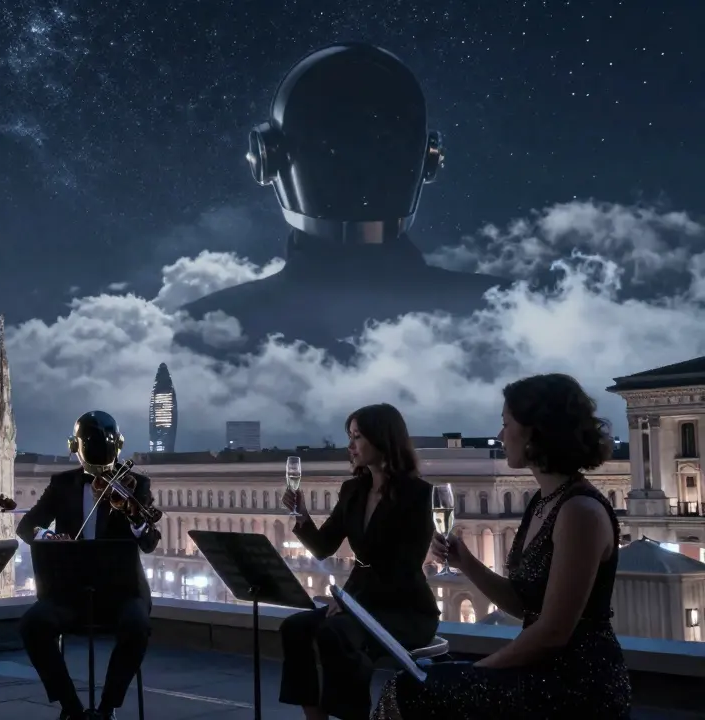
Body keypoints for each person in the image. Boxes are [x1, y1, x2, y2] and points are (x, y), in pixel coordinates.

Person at [179, 43, 502, 361]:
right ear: (427, 159)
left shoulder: (198, 330)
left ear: (267, 159)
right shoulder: (501, 312)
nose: (358, 165)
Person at [373, 374, 632, 719]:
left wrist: (480, 670)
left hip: (574, 683)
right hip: (543, 669)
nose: (499, 435)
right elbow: (525, 605)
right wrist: (465, 561)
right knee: (414, 683)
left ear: (534, 432)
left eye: (506, 423)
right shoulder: (545, 502)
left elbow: (554, 631)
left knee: (408, 690)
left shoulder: (578, 512)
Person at [279, 403, 439, 720]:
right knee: (293, 628)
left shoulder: (419, 495)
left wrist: (352, 604)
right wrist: (300, 512)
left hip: (404, 607)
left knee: (334, 633)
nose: (350, 446)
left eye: (357, 437)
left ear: (383, 439)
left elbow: (405, 568)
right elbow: (323, 546)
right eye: (349, 436)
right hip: (358, 602)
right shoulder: (353, 489)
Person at [15, 410, 161, 720]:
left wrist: (135, 517)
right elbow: (26, 527)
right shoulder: (62, 484)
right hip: (71, 594)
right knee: (32, 624)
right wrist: (50, 536)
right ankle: (72, 709)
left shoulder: (136, 485)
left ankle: (108, 708)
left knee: (138, 625)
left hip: (123, 594)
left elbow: (149, 542)